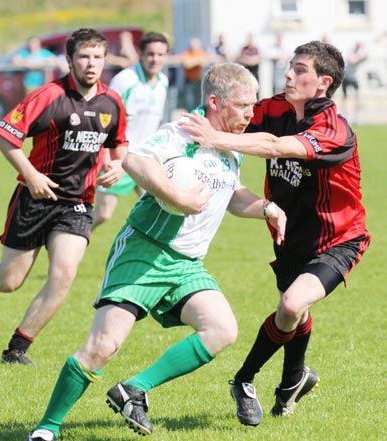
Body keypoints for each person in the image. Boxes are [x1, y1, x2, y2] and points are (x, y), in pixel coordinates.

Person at [25, 62, 287, 441]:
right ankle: (46, 429)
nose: (251, 113)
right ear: (215, 101)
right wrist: (176, 195)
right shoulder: (184, 132)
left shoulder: (229, 143)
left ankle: (133, 389)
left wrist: (266, 207)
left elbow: (231, 194)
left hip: (186, 264)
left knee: (222, 329)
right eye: (243, 105)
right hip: (145, 252)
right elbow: (135, 159)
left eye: (254, 105)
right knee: (102, 346)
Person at [180, 40, 370, 426]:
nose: (288, 74)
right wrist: (198, 121)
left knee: (291, 305)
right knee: (295, 311)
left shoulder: (334, 129)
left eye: (300, 69)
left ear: (323, 82)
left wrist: (215, 139)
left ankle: (244, 379)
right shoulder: (276, 108)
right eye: (290, 66)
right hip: (290, 234)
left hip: (338, 238)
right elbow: (236, 114)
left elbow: (276, 146)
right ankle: (292, 382)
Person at [0, 28, 129, 366]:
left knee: (63, 274)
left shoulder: (111, 101)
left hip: (77, 203)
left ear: (105, 61)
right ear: (70, 60)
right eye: (84, 57)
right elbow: (5, 134)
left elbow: (118, 142)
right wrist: (31, 175)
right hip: (35, 199)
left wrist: (117, 165)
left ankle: (17, 349)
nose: (91, 64)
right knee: (9, 280)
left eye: (97, 58)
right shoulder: (48, 95)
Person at [92, 31, 170, 230]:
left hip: (144, 158)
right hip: (119, 157)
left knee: (157, 209)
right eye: (150, 54)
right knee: (103, 213)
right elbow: (105, 120)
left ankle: (142, 256)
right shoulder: (126, 80)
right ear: (141, 54)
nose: (155, 59)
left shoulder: (163, 82)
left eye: (160, 55)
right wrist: (106, 159)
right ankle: (68, 236)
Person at [341, 41, 367, 124]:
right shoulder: (350, 51)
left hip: (355, 79)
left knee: (358, 98)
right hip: (346, 77)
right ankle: (346, 117)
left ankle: (357, 118)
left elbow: (364, 57)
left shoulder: (361, 53)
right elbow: (349, 60)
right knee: (345, 98)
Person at [179, 37, 209, 110]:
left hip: (198, 80)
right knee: (189, 101)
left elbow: (205, 62)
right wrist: (197, 60)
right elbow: (186, 64)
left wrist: (193, 61)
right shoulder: (186, 53)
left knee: (198, 100)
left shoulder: (200, 52)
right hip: (188, 80)